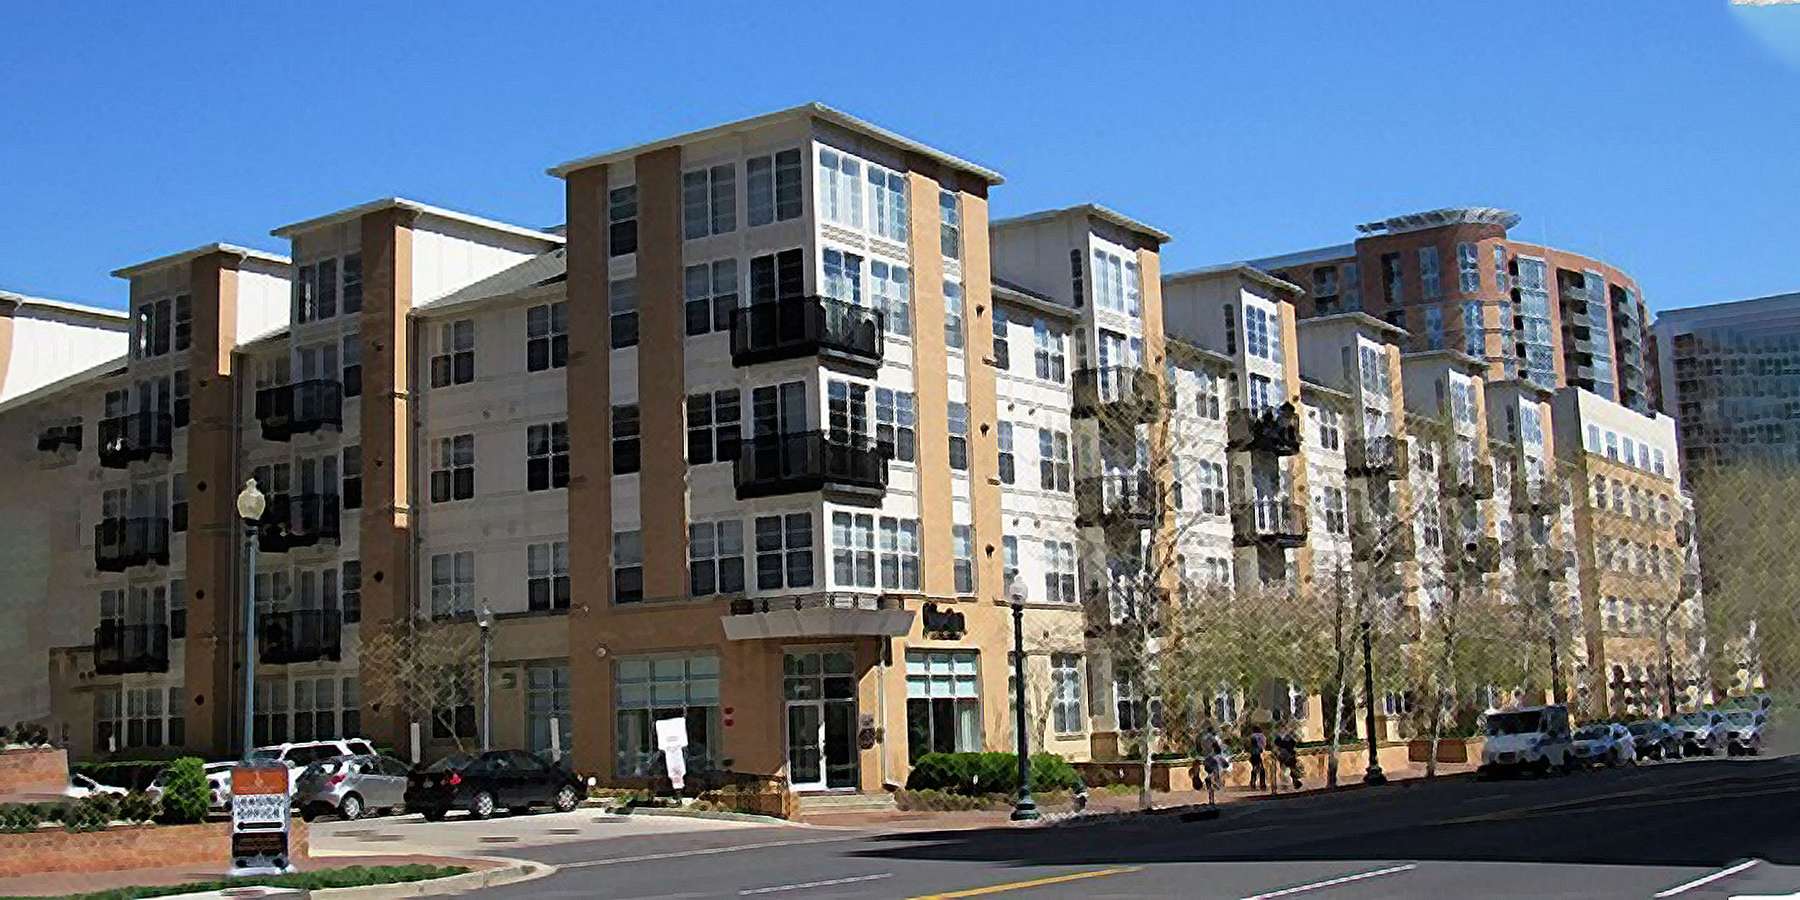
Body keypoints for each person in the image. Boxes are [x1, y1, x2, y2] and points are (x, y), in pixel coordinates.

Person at [1248, 726, 1268, 791]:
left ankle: (1253, 783)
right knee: (1261, 770)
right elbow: (1262, 745)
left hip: (1253, 755)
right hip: (1257, 754)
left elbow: (1250, 745)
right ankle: (1261, 784)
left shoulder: (1252, 736)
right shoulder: (1261, 736)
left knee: (1255, 768)